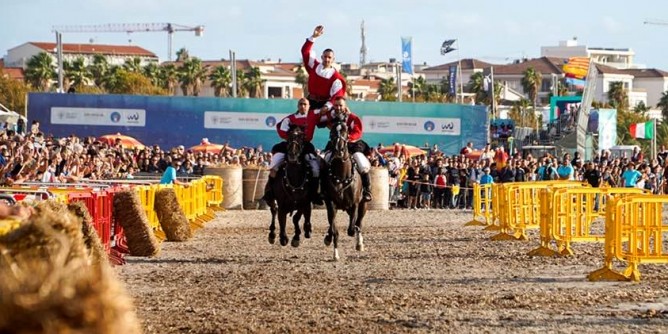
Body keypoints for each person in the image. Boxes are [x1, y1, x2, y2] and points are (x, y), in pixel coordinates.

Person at [263, 98, 323, 205]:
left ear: (309, 106)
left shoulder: (313, 116)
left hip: (306, 147)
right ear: (297, 106)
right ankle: (269, 192)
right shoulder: (290, 119)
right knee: (274, 166)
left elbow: (326, 115)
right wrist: (293, 137)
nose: (303, 106)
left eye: (305, 104)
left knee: (315, 168)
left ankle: (314, 194)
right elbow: (282, 131)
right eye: (300, 104)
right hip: (290, 146)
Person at [322, 96, 373, 202]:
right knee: (323, 161)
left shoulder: (353, 118)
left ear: (345, 106)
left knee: (361, 162)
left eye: (340, 105)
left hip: (352, 144)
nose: (338, 107)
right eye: (336, 105)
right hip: (335, 144)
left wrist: (346, 138)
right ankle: (322, 190)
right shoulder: (331, 116)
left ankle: (367, 190)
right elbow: (320, 121)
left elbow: (358, 132)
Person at [301, 25, 347, 114]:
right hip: (310, 102)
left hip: (325, 105)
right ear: (322, 57)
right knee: (300, 123)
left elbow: (337, 95)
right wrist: (313, 37)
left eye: (329, 57)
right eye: (325, 57)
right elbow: (305, 52)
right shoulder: (314, 66)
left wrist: (327, 106)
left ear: (333, 59)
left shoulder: (335, 77)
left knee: (338, 123)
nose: (327, 59)